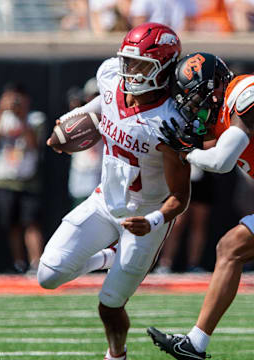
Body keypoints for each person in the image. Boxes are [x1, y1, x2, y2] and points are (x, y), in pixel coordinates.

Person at [38, 22, 192, 360]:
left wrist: (152, 221)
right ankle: (107, 257)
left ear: (164, 66)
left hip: (144, 215)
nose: (130, 71)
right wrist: (70, 123)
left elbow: (180, 196)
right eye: (128, 61)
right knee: (47, 275)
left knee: (109, 305)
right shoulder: (110, 75)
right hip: (103, 201)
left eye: (141, 65)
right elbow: (102, 105)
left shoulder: (169, 120)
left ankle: (116, 354)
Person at [147, 52, 254, 360]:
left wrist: (187, 151)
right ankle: (195, 344)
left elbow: (220, 161)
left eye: (197, 99)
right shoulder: (223, 117)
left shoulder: (244, 94)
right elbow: (209, 144)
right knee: (231, 247)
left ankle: (195, 344)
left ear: (216, 87)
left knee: (231, 247)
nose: (195, 108)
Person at [0, 83, 45, 275]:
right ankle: (19, 263)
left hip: (27, 178)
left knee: (32, 221)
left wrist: (21, 117)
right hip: (4, 179)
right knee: (12, 224)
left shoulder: (35, 119)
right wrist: (1, 110)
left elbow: (34, 143)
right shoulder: (2, 118)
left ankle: (36, 263)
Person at [154, 163, 213, 274]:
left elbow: (213, 147)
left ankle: (194, 264)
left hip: (203, 177)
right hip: (180, 174)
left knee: (199, 223)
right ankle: (165, 263)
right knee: (176, 223)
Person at [68, 77, 103, 208]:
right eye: (92, 96)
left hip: (101, 172)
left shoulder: (110, 115)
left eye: (98, 96)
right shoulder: (79, 115)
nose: (95, 100)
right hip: (81, 172)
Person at [129, 0, 198, 32]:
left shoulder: (187, 1)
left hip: (175, 41)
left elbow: (188, 25)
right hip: (151, 40)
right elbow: (139, 26)